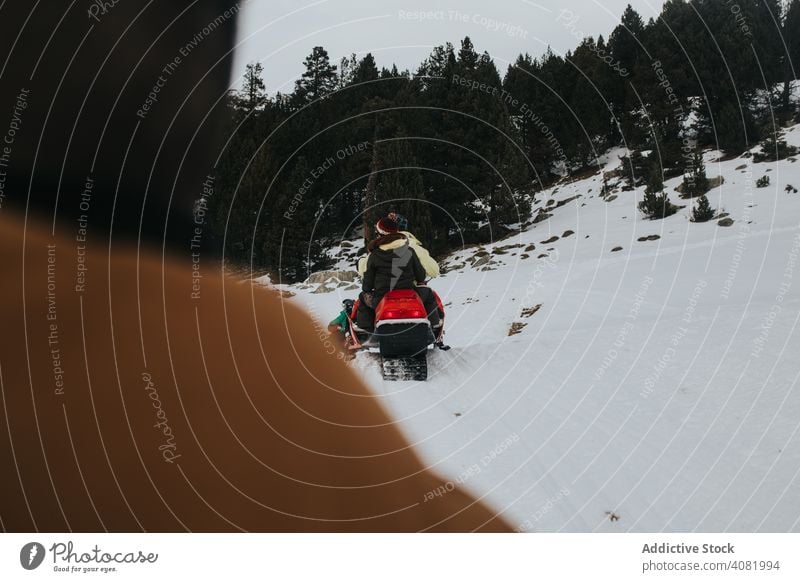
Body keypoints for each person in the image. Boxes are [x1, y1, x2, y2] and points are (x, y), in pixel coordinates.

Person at [357, 218, 440, 331]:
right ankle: (434, 325)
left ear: (380, 234)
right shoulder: (409, 250)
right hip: (409, 296)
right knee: (429, 293)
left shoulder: (374, 255)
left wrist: (367, 290)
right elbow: (421, 276)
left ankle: (366, 330)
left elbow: (367, 284)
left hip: (381, 298)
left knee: (362, 298)